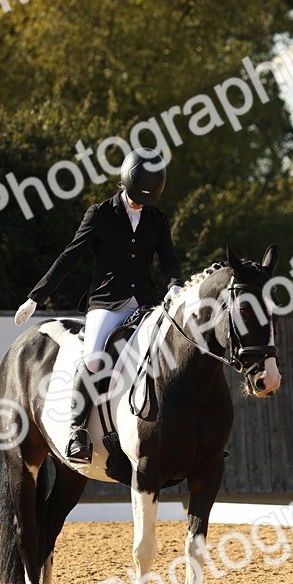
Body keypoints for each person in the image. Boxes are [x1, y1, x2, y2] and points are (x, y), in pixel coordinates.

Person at [13, 147, 183, 463]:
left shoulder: (157, 219)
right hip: (107, 303)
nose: (139, 204)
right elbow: (70, 256)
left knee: (174, 354)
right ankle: (78, 432)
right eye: (135, 197)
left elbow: (169, 259)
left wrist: (175, 285)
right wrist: (36, 296)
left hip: (146, 303)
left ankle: (184, 434)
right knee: (93, 361)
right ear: (125, 184)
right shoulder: (100, 214)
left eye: (145, 200)